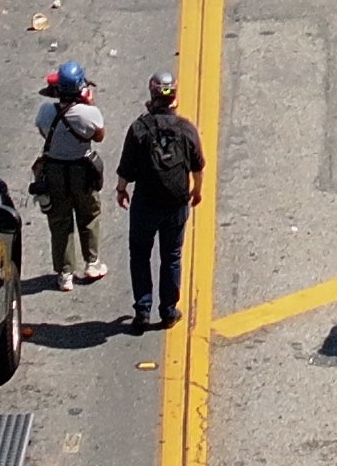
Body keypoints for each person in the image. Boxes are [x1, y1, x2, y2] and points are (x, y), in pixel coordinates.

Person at [115, 72, 207, 332]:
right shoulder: (186, 129)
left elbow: (126, 168)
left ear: (152, 94)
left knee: (140, 255)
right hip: (176, 203)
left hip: (146, 202)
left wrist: (121, 190)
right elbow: (199, 167)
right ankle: (168, 311)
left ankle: (142, 310)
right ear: (175, 97)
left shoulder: (139, 129)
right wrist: (196, 192)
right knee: (172, 256)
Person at [32, 62, 109, 284]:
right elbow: (99, 137)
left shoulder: (46, 112)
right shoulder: (90, 113)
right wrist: (90, 105)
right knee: (89, 215)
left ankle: (65, 273)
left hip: (54, 170)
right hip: (81, 170)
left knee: (59, 220)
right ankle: (92, 264)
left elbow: (42, 132)